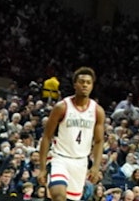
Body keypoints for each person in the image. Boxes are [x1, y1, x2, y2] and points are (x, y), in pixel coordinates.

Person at [36, 68, 105, 201]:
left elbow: (99, 141)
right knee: (59, 196)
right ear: (75, 84)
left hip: (80, 162)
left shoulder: (97, 111)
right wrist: (42, 168)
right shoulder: (62, 107)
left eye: (88, 82)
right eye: (81, 82)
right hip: (60, 158)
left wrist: (96, 167)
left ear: (92, 86)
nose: (85, 85)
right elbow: (46, 137)